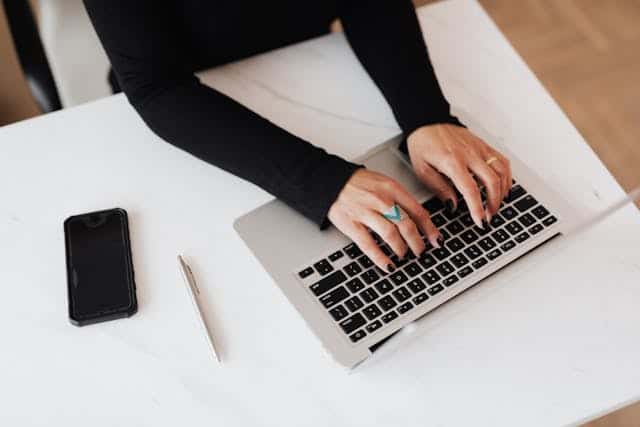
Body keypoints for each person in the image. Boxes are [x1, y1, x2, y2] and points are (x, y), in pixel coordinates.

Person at [84, 0, 511, 273]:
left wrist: (426, 116)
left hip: (307, 61)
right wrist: (326, 182)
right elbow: (157, 87)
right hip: (191, 112)